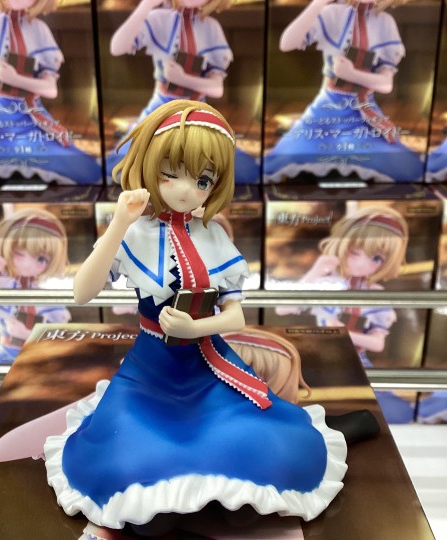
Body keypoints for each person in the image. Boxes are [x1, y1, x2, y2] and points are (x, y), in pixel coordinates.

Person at [43, 99, 350, 536]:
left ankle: (217, 503)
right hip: (148, 374)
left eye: (203, 179)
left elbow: (236, 317)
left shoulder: (213, 237)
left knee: (268, 447)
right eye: (171, 173)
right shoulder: (135, 233)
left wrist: (196, 328)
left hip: (209, 369)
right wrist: (118, 224)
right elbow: (82, 292)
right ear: (149, 165)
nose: (187, 190)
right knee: (125, 457)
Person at [275, 205, 414, 423]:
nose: (361, 263)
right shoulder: (327, 284)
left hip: (356, 362)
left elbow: (377, 343)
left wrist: (343, 333)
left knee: (385, 410)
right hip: (318, 357)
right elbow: (283, 308)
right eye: (355, 252)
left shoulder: (376, 296)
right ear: (342, 246)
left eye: (376, 258)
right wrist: (315, 272)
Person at [0, 0, 102, 185]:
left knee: (73, 165)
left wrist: (15, 79)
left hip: (30, 117)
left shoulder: (39, 29)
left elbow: (51, 89)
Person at [263, 0, 424, 183]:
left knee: (384, 157)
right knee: (294, 151)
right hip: (325, 108)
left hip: (362, 112)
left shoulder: (384, 22)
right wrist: (318, 4)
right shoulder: (332, 13)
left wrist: (352, 74)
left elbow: (386, 84)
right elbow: (287, 44)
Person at [107, 0, 258, 184]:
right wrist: (145, 6)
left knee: (240, 169)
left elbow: (217, 89)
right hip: (160, 108)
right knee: (123, 164)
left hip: (198, 110)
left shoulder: (211, 27)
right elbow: (117, 48)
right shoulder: (158, 19)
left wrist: (182, 78)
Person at [0, 208, 71, 417]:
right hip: (5, 357)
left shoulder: (49, 293)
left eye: (41, 258)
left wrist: (28, 336)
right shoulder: (0, 285)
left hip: (40, 361)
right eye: (19, 254)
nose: (27, 264)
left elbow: (60, 336)